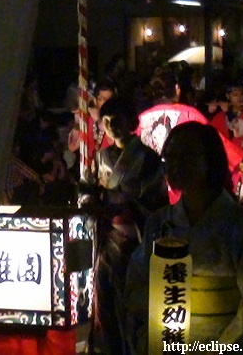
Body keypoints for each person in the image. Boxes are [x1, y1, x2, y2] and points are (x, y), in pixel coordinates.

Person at [125, 122, 243, 351]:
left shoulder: (239, 225)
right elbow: (137, 287)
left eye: (185, 155)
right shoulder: (159, 224)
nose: (175, 165)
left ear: (210, 159)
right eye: (169, 157)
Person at [85, 97, 168, 355]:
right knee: (105, 299)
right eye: (106, 122)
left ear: (131, 122)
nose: (111, 127)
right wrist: (89, 203)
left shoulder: (148, 159)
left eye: (116, 120)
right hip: (106, 236)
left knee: (131, 304)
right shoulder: (100, 158)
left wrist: (130, 207)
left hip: (135, 241)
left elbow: (157, 203)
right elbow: (86, 188)